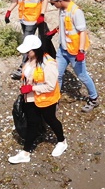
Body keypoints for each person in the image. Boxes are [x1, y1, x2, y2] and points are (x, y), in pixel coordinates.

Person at [8, 34, 67, 164]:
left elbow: (50, 86)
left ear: (36, 49)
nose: (26, 54)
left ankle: (62, 141)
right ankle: (26, 152)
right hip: (30, 99)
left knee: (51, 120)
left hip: (46, 100)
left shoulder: (48, 64)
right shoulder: (29, 60)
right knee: (32, 123)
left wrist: (32, 89)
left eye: (28, 51)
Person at [46, 0, 100, 112]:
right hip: (63, 50)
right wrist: (54, 31)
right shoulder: (62, 10)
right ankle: (55, 99)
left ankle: (94, 98)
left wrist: (81, 51)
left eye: (53, 3)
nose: (53, 6)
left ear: (59, 0)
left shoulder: (76, 12)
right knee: (57, 75)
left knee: (82, 75)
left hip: (75, 51)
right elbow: (64, 24)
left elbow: (82, 32)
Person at [5, 0, 50, 79]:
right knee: (33, 41)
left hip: (34, 18)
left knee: (27, 42)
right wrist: (9, 11)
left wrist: (42, 14)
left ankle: (23, 67)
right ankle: (37, 60)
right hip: (23, 18)